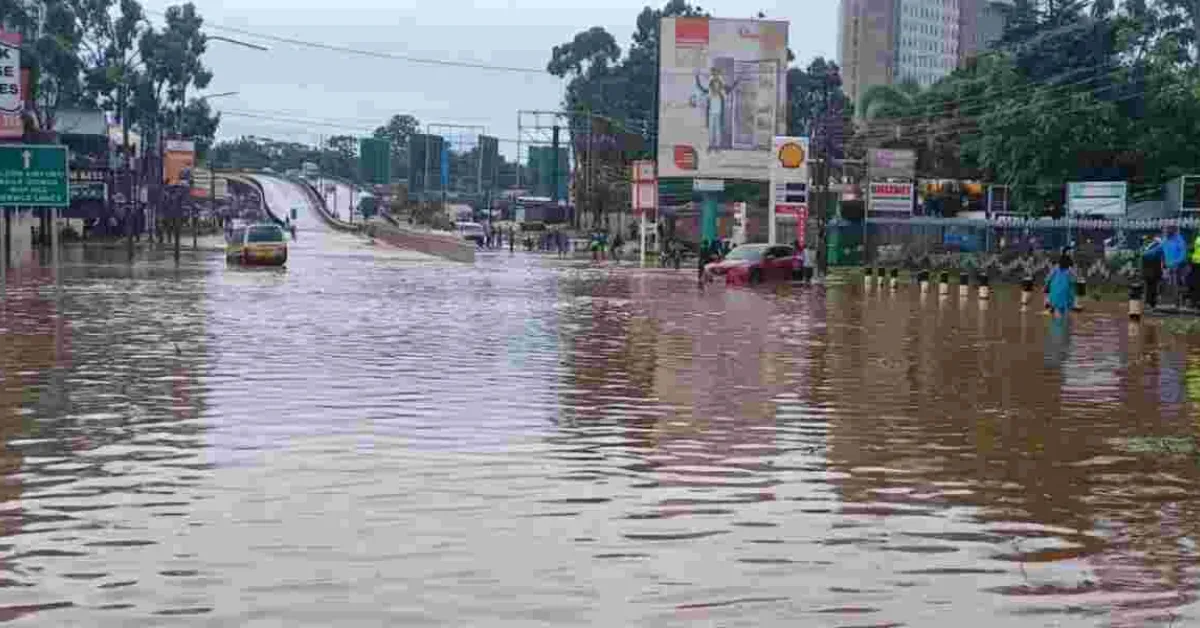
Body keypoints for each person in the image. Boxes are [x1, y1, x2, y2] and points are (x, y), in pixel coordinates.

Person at [1045, 254, 1076, 319]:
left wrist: (1047, 285)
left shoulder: (1055, 269)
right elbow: (1074, 279)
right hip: (1065, 292)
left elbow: (1048, 278)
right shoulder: (1069, 270)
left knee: (1057, 310)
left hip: (1054, 291)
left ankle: (1053, 310)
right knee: (1065, 310)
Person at [1142, 234, 1164, 309]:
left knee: (1151, 287)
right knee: (1152, 287)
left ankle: (1150, 302)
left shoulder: (1151, 247)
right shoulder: (1155, 247)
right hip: (1152, 269)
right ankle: (1150, 302)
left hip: (1151, 269)